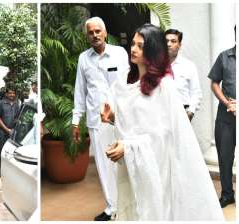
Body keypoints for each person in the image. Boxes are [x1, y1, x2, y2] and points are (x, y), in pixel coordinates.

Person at [101, 23, 224, 220]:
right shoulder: (124, 81)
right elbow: (134, 123)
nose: (133, 49)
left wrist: (129, 147)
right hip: (132, 167)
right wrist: (113, 117)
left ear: (153, 50)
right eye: (133, 44)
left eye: (140, 46)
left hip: (157, 167)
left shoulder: (163, 86)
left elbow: (162, 135)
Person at [72, 17, 129, 221]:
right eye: (91, 32)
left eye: (98, 31)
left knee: (123, 163)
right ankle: (111, 207)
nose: (95, 35)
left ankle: (127, 206)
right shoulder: (83, 59)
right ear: (87, 36)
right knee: (104, 167)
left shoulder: (120, 54)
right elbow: (80, 91)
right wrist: (75, 121)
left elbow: (128, 85)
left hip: (119, 119)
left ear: (105, 33)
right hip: (96, 122)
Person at [208, 26, 236, 208]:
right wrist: (228, 103)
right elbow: (214, 83)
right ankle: (227, 194)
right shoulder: (224, 57)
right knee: (225, 157)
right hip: (226, 117)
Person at [165, 29, 202, 121]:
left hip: (182, 113)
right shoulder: (156, 66)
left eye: (173, 41)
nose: (168, 44)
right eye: (166, 41)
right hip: (161, 113)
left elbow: (196, 92)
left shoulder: (188, 66)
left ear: (179, 45)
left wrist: (190, 112)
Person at [0, 87, 21, 175]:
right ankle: (1, 171)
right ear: (6, 94)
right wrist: (7, 129)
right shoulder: (1, 103)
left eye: (13, 93)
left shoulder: (17, 104)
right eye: (10, 93)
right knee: (1, 151)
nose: (12, 95)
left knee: (11, 152)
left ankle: (9, 172)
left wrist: (14, 129)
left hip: (12, 132)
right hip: (2, 132)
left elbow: (17, 118)